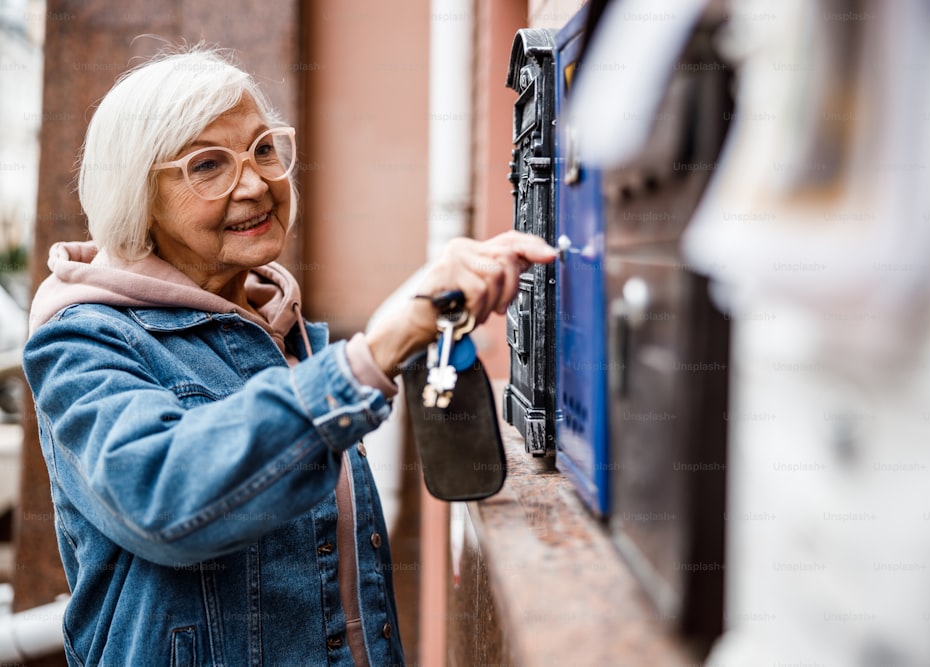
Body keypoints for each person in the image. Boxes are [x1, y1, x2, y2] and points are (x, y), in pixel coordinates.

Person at [22, 46, 555, 666]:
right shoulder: (84, 340)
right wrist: (372, 356)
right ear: (138, 195)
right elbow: (160, 497)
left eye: (264, 149)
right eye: (208, 166)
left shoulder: (281, 329)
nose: (254, 183)